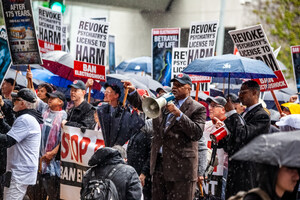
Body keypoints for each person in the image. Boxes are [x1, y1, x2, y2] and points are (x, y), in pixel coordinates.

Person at [124, 74, 206, 200]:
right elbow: (145, 106)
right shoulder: (165, 100)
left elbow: (196, 133)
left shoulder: (197, 108)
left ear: (189, 88)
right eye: (174, 85)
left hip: (181, 169)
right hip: (159, 166)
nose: (175, 88)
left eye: (179, 85)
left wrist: (178, 113)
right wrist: (133, 92)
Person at [217, 80, 271, 198]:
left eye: (243, 92)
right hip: (235, 169)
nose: (240, 94)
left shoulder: (262, 116)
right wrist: (222, 136)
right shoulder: (242, 115)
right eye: (239, 91)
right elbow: (234, 139)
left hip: (249, 171)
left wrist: (232, 112)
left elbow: (242, 134)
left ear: (254, 93)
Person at [0, 88, 43, 199]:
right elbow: (11, 130)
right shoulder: (26, 118)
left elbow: (8, 140)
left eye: (16, 100)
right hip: (19, 170)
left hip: (19, 172)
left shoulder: (25, 119)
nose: (14, 101)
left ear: (23, 103)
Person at [27, 90, 67, 200]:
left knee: (53, 194)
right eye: (49, 97)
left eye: (52, 98)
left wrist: (53, 153)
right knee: (36, 194)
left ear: (60, 102)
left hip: (52, 163)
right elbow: (33, 96)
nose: (49, 99)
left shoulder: (63, 115)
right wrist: (30, 79)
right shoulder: (45, 109)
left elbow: (65, 138)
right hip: (38, 160)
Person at [204, 96, 227, 198]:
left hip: (221, 173)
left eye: (214, 106)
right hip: (205, 172)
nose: (210, 108)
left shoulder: (228, 126)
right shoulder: (205, 125)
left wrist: (224, 130)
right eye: (210, 105)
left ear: (223, 109)